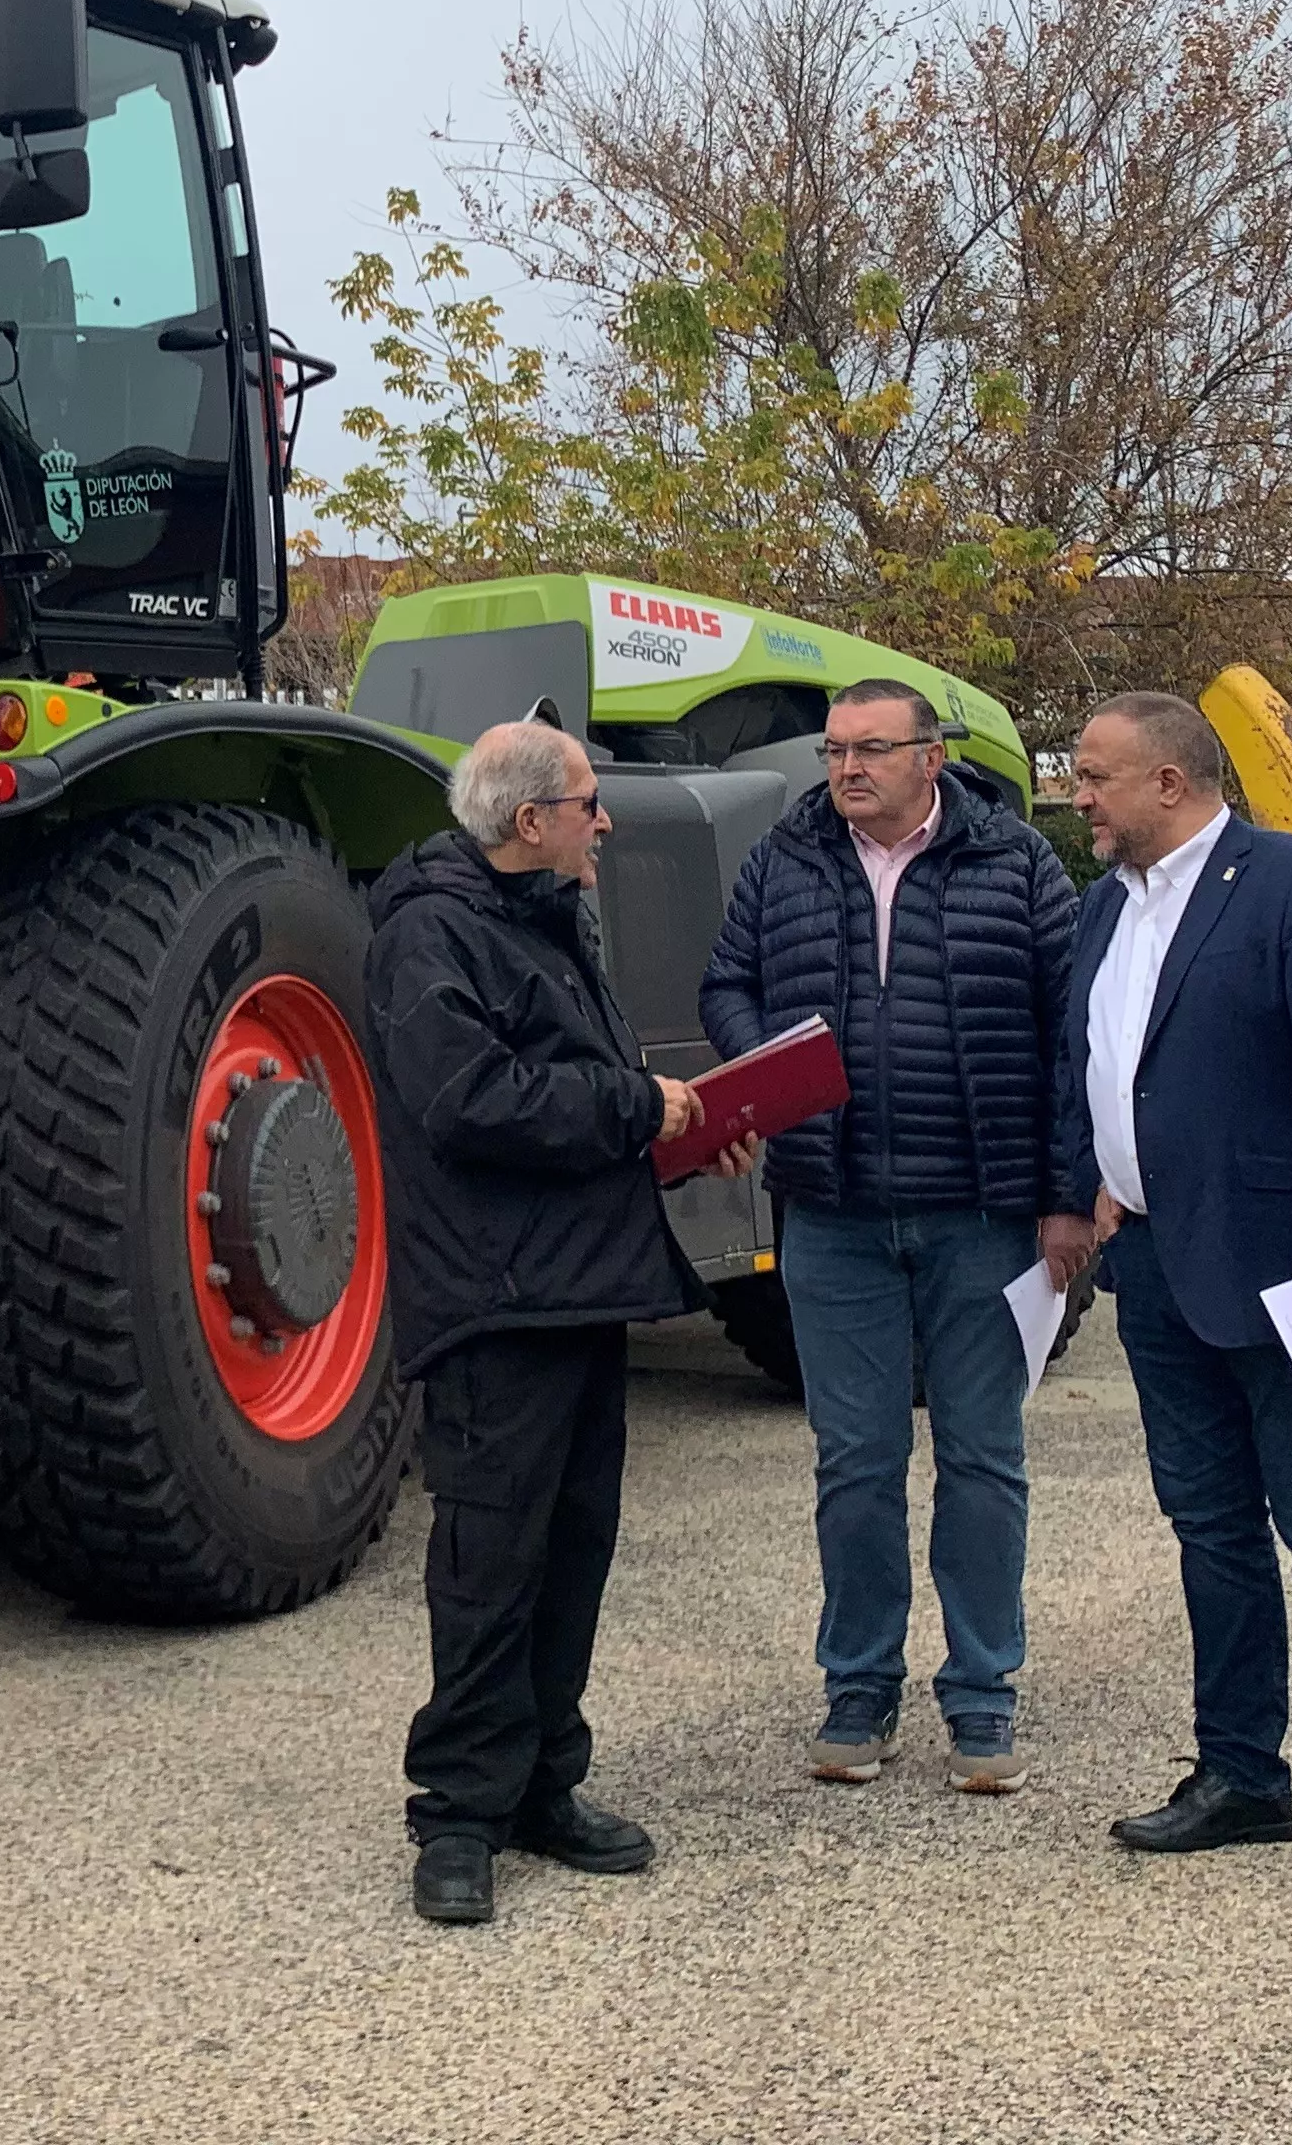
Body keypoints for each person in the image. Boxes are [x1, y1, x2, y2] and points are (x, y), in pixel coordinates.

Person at [1045, 690, 1292, 1918]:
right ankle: (1243, 1776)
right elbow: (1096, 1061)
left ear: (1170, 781)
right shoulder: (1108, 906)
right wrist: (1094, 1185)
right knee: (1210, 1536)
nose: (1078, 795)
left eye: (1096, 775)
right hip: (1155, 1267)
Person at [367, 718, 749, 1927]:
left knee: (572, 1551)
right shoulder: (430, 931)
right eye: (588, 802)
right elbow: (469, 1101)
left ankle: (543, 1782)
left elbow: (570, 1107)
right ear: (529, 822)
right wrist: (640, 1103)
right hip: (497, 1303)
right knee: (490, 1562)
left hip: (582, 1289)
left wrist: (672, 1141)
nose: (605, 821)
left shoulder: (546, 917)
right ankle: (458, 1817)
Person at [699, 677, 1082, 1796]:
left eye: (870, 749)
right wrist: (769, 1064)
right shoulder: (784, 862)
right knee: (854, 1463)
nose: (846, 770)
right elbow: (727, 982)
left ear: (931, 756)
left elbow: (1074, 1038)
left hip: (984, 1216)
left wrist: (1065, 1197)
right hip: (834, 1213)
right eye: (832, 751)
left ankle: (983, 1699)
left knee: (982, 1459)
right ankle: (857, 1689)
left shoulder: (1016, 865)